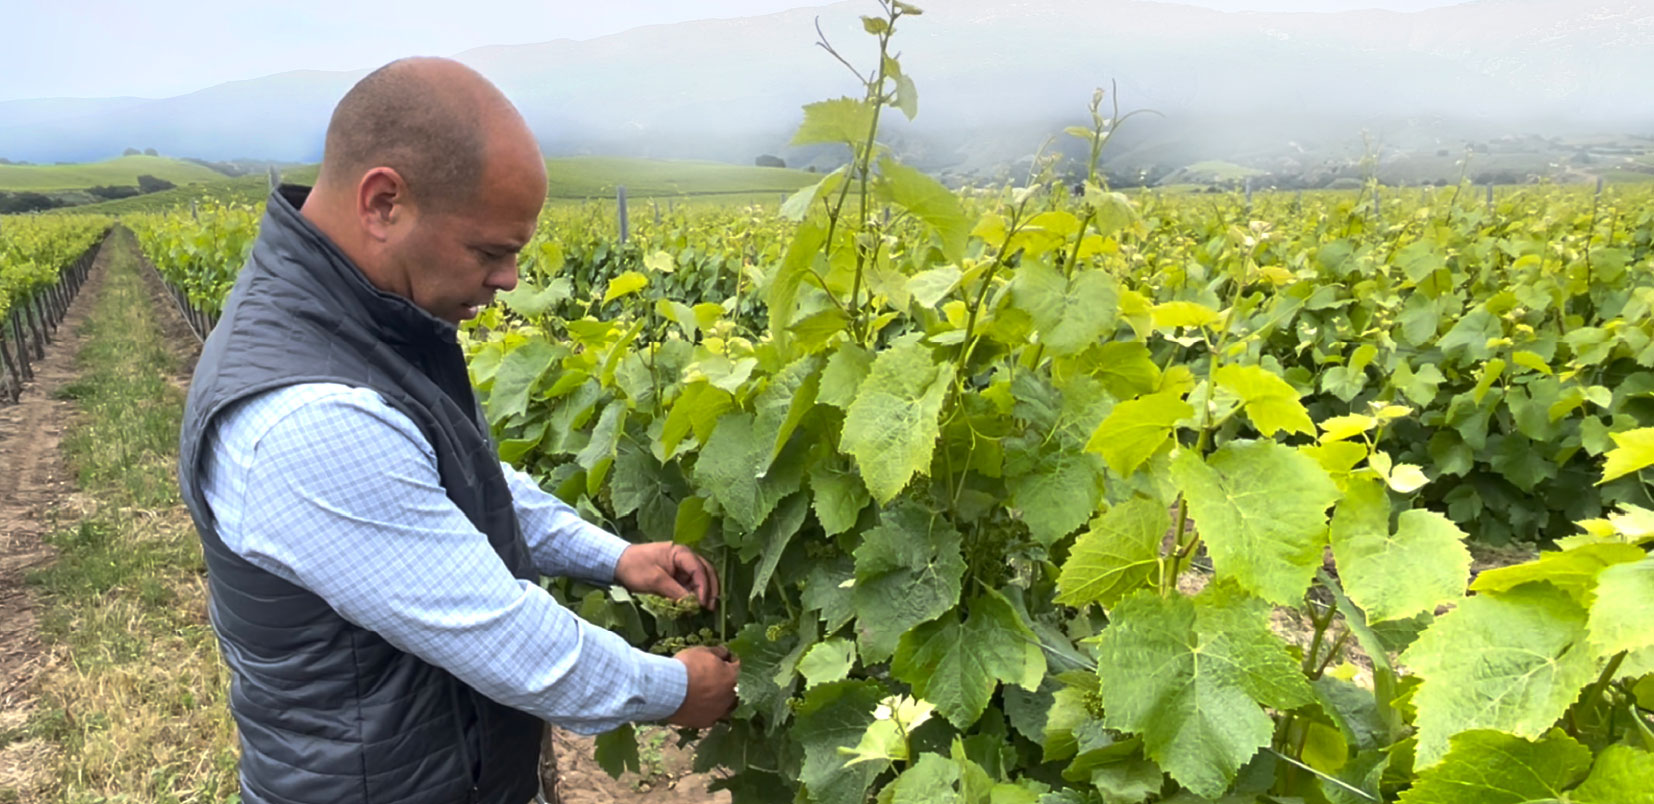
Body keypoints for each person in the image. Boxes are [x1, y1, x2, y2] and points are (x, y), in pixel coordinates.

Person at [175, 57, 739, 804]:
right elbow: (507, 638)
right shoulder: (305, 418)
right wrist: (675, 688)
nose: (509, 280)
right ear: (384, 203)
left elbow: (463, 482)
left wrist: (617, 557)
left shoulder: (368, 329)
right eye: (490, 250)